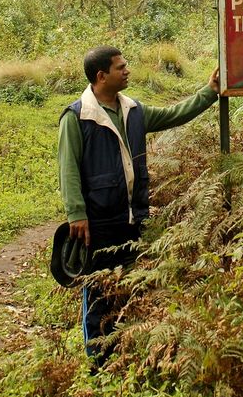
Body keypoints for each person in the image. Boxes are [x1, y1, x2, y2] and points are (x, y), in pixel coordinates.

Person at [58, 45, 220, 361]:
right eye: (121, 67)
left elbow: (175, 114)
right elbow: (68, 168)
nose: (127, 70)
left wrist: (209, 92)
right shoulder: (77, 117)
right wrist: (77, 214)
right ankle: (97, 359)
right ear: (101, 76)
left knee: (126, 285)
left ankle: (120, 351)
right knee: (98, 291)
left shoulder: (133, 111)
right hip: (97, 219)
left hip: (131, 215)